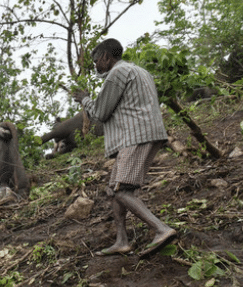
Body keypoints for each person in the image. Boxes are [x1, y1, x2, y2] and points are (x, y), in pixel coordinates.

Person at [71, 38, 176, 257]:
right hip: (142, 133)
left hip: (135, 136)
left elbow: (100, 113)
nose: (95, 66)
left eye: (96, 61)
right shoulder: (139, 71)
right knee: (113, 190)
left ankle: (161, 229)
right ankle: (122, 241)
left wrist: (85, 100)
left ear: (106, 56)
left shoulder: (117, 73)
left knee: (122, 191)